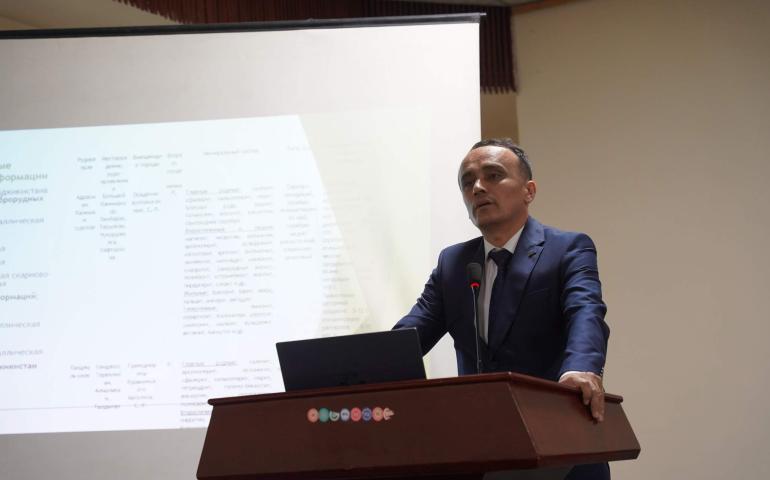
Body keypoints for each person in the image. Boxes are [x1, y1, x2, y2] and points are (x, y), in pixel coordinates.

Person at [393, 138, 611, 480]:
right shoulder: (453, 263)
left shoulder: (567, 249)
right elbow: (410, 335)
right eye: (467, 182)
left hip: (559, 442)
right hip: (481, 449)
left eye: (493, 175)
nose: (478, 187)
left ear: (529, 191)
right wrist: (358, 369)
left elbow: (585, 312)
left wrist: (581, 368)